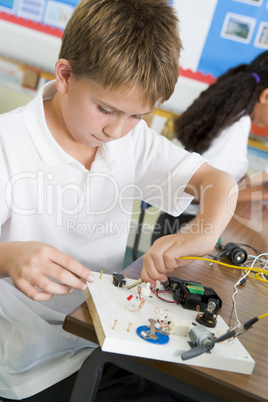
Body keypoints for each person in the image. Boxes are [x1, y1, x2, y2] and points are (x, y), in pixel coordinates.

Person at [0, 0, 237, 400]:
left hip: (110, 339)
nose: (116, 130)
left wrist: (202, 233)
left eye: (136, 116)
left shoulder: (131, 140)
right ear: (65, 74)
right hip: (31, 364)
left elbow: (218, 182)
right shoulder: (9, 143)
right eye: (105, 109)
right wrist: (7, 257)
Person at [152, 51, 268, 243]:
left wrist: (243, 179)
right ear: (265, 96)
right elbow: (204, 191)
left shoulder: (229, 112)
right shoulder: (238, 123)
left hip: (177, 221)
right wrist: (259, 193)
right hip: (185, 227)